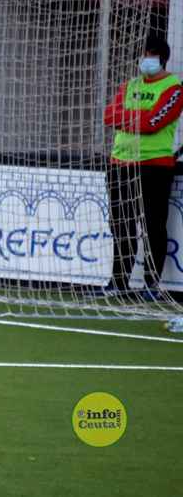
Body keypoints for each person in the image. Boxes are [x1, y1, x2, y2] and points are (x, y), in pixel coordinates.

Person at [103, 35, 182, 302]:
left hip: (154, 166)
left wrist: (129, 118)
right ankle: (118, 282)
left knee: (152, 226)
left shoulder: (174, 88)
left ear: (160, 58)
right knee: (120, 225)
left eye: (149, 55)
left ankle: (151, 284)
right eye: (142, 55)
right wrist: (136, 119)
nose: (144, 61)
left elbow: (153, 123)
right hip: (119, 163)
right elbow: (108, 116)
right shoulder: (129, 85)